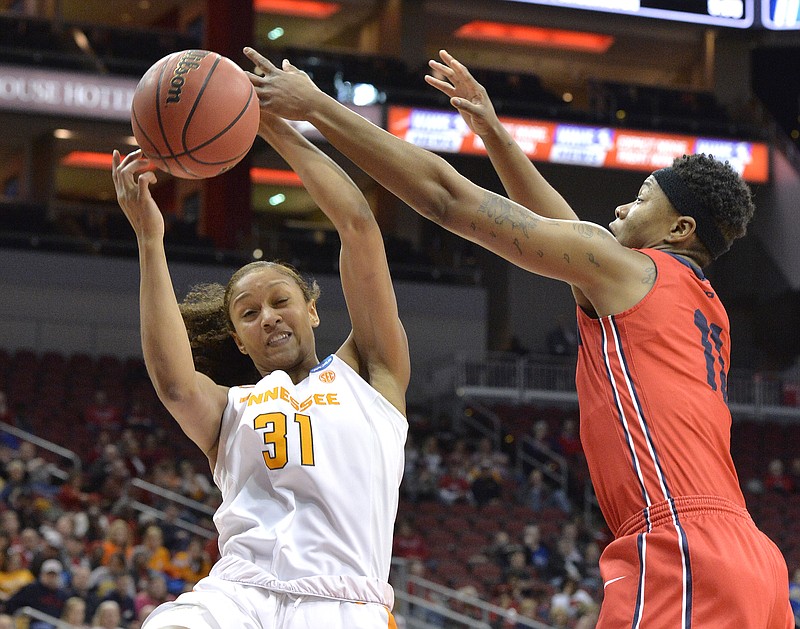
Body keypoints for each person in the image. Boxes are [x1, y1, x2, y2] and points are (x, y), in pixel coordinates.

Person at [243, 46, 793, 627]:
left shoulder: (630, 269)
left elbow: (447, 198)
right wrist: (493, 132)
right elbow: (560, 230)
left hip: (683, 548)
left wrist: (317, 108)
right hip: (752, 559)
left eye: (642, 198)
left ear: (680, 228)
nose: (621, 204)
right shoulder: (705, 309)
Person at [111, 101, 410, 628]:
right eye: (249, 313)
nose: (268, 317)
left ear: (312, 310)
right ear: (239, 341)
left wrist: (269, 125)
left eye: (280, 301)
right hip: (239, 592)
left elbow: (358, 225)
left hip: (343, 602)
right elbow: (175, 384)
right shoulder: (232, 407)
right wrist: (149, 238)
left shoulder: (370, 375)